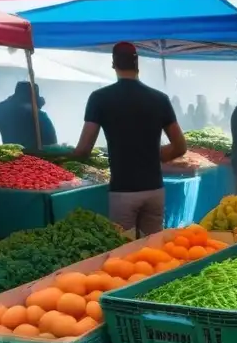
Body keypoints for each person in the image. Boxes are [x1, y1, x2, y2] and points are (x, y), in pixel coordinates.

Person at [73, 42, 186, 237]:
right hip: (154, 189)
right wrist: (153, 156)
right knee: (154, 251)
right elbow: (180, 146)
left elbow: (83, 150)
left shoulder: (100, 98)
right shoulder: (160, 99)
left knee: (124, 254)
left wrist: (53, 155)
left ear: (113, 64)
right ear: (137, 64)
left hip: (123, 191)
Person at [0, 82, 57, 150]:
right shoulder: (39, 116)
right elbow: (52, 143)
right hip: (32, 155)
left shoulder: (1, 108)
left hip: (10, 151)